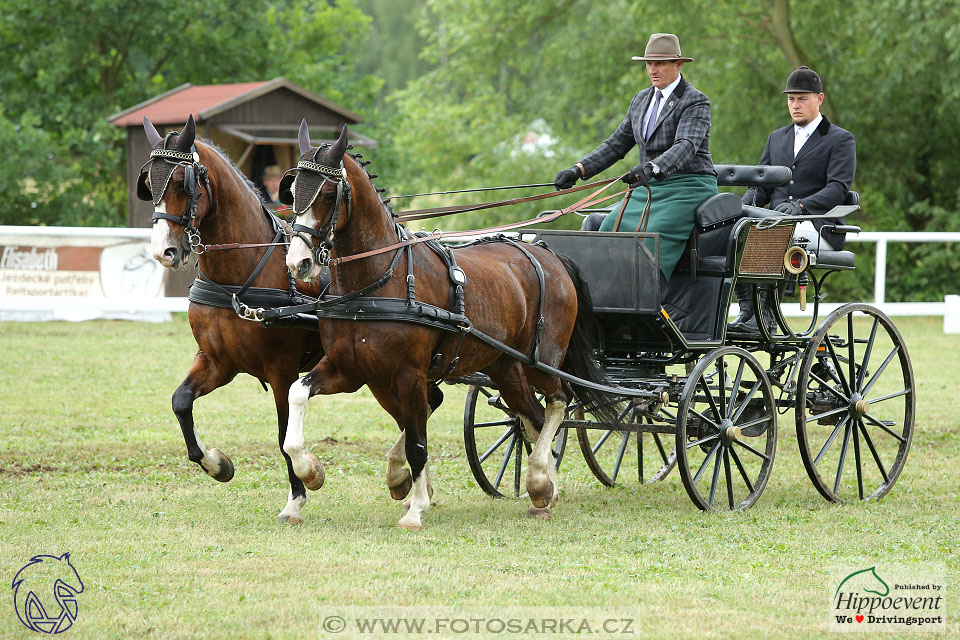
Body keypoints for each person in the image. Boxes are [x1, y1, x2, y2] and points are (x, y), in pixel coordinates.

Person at [554, 33, 718, 284]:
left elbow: (686, 145)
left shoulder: (695, 100)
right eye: (648, 63)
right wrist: (579, 169)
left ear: (679, 64)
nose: (652, 69)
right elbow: (616, 144)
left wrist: (653, 167)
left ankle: (648, 304)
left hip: (688, 186)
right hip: (648, 187)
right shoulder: (641, 99)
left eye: (659, 63)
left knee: (650, 239)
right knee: (609, 228)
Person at [729, 66, 857, 333]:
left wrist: (801, 206)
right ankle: (748, 310)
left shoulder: (840, 139)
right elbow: (761, 185)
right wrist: (743, 207)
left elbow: (838, 188)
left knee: (773, 233)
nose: (795, 105)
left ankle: (765, 315)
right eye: (791, 99)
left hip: (818, 226)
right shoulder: (777, 138)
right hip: (775, 222)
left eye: (802, 98)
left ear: (819, 99)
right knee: (734, 230)